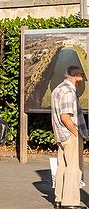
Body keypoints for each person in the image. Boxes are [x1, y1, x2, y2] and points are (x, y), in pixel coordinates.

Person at [51, 64, 88, 209]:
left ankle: (59, 199)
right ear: (75, 76)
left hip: (60, 134)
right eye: (81, 77)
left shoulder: (58, 89)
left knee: (63, 166)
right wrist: (76, 132)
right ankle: (70, 202)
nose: (82, 81)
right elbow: (65, 116)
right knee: (74, 168)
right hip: (69, 133)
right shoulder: (68, 92)